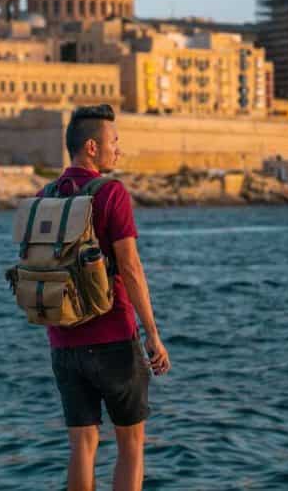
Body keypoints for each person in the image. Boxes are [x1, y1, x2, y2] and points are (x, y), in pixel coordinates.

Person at [41, 104, 170, 491]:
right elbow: (129, 267)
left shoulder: (45, 194)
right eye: (115, 141)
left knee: (82, 443)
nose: (119, 150)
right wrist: (152, 333)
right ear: (92, 147)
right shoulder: (111, 192)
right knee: (131, 442)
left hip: (62, 342)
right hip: (113, 337)